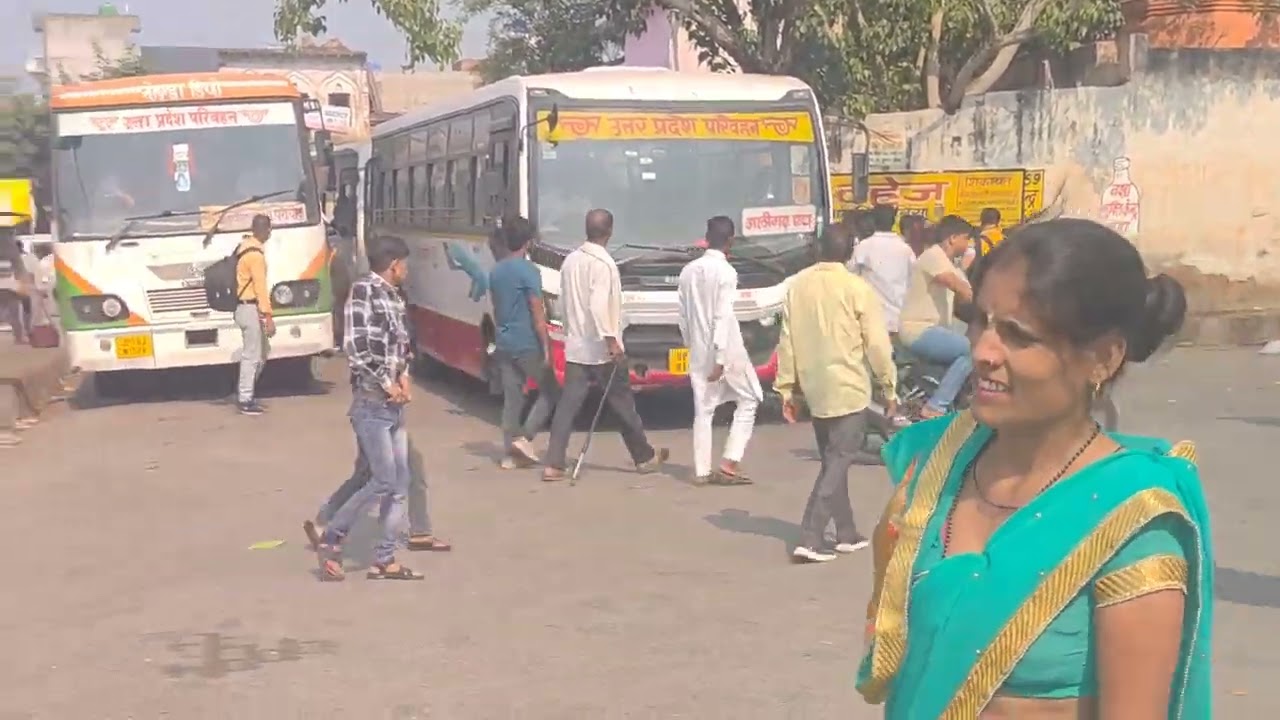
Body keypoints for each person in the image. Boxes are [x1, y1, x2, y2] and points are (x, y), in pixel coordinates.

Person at [857, 218, 1211, 719]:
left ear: (1103, 358)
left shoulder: (1130, 521)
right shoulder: (939, 466)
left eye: (1018, 335)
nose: (981, 351)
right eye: (981, 321)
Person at [776, 223, 898, 563]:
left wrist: (786, 390)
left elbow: (787, 342)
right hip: (847, 386)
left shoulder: (797, 286)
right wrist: (889, 387)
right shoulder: (857, 288)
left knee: (834, 458)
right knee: (839, 460)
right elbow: (876, 344)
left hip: (815, 387)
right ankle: (810, 537)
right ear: (850, 252)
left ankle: (846, 532)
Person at [313, 236, 423, 581]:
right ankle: (331, 536)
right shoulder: (364, 292)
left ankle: (385, 558)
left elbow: (399, 347)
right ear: (393, 265)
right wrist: (386, 382)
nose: (407, 270)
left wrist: (404, 378)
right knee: (383, 479)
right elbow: (356, 349)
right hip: (372, 402)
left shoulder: (394, 297)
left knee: (399, 483)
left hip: (392, 406)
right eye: (404, 264)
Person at [541, 209, 669, 482]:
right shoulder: (604, 264)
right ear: (609, 232)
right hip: (601, 349)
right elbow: (599, 306)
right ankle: (644, 458)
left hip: (576, 346)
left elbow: (562, 301)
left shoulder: (571, 261)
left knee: (567, 406)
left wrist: (569, 330)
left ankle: (553, 464)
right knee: (622, 404)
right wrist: (611, 340)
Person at [677, 216, 762, 485]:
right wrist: (721, 358)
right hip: (726, 347)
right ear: (730, 242)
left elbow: (682, 316)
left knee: (703, 409)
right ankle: (729, 462)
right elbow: (722, 316)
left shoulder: (688, 271)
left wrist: (691, 346)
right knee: (750, 398)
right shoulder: (727, 273)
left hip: (698, 348)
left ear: (706, 237)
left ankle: (702, 470)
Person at [488, 215, 561, 468]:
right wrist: (547, 348)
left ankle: (510, 455)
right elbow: (537, 312)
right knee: (551, 391)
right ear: (528, 243)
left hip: (504, 341)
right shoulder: (529, 271)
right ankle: (525, 438)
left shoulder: (496, 272)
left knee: (513, 397)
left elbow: (497, 309)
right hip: (527, 341)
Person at [305, 437, 451, 553]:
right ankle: (420, 532)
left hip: (382, 415)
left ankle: (325, 520)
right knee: (377, 473)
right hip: (378, 415)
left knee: (368, 473)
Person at [898, 215, 976, 418]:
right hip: (918, 329)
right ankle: (936, 406)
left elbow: (966, 294)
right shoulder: (933, 256)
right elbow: (957, 286)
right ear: (952, 238)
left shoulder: (951, 264)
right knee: (971, 350)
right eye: (966, 239)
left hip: (936, 330)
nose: (968, 244)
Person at [849, 204, 916, 337]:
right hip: (897, 319)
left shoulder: (864, 246)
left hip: (871, 320)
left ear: (873, 221)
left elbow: (849, 274)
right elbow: (913, 280)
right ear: (894, 222)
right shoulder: (905, 249)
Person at [233, 214, 275, 415]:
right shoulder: (255, 255)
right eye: (268, 228)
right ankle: (245, 399)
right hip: (250, 308)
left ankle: (246, 391)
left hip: (243, 308)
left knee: (261, 353)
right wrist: (268, 316)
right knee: (252, 355)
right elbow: (260, 287)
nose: (270, 232)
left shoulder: (244, 248)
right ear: (263, 230)